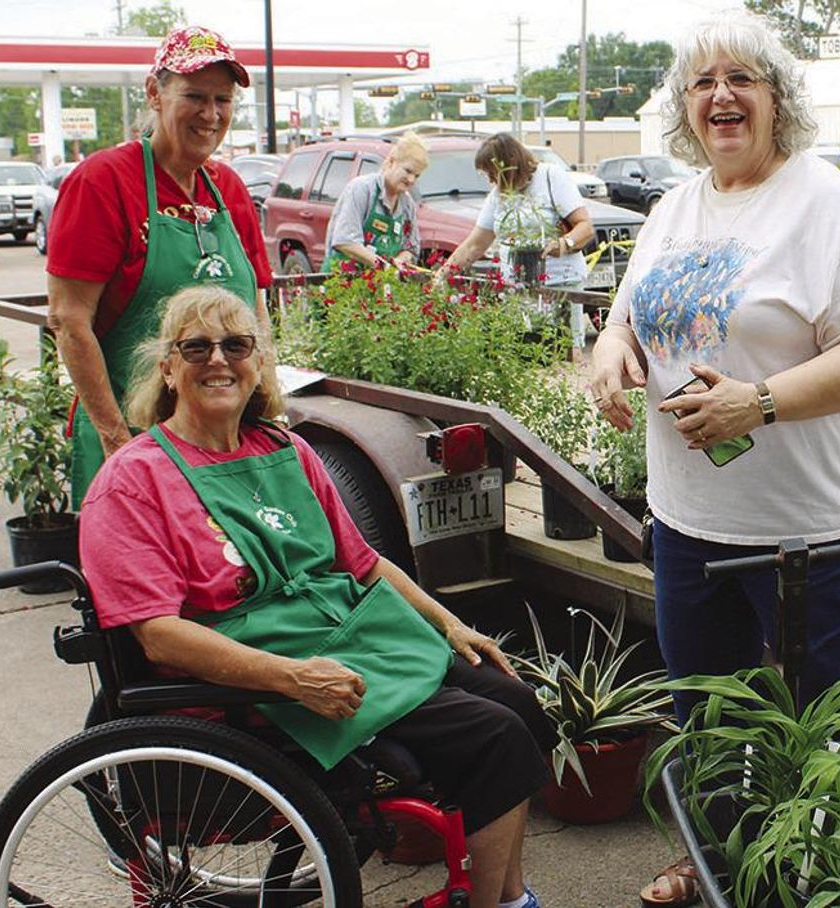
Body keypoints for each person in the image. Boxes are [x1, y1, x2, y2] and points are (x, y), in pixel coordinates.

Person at [78, 285, 553, 908]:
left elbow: (363, 563)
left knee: (518, 702)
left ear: (258, 362)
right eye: (196, 347)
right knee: (493, 736)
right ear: (167, 367)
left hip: (352, 638)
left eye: (236, 345)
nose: (218, 360)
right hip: (263, 674)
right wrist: (292, 678)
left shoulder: (285, 449)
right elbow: (157, 632)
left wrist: (447, 624)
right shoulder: (134, 481)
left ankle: (508, 895)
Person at [586, 15, 840, 907]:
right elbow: (626, 311)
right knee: (707, 713)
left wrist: (756, 402)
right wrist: (612, 347)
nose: (721, 96)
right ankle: (716, 863)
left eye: (742, 79)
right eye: (702, 84)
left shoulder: (828, 205)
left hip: (806, 529)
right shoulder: (679, 204)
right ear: (684, 108)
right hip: (689, 520)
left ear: (778, 98)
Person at [46, 25, 273, 508]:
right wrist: (115, 440)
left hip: (222, 440)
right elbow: (69, 320)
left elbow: (256, 310)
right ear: (154, 92)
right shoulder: (103, 181)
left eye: (223, 100)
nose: (211, 115)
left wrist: (270, 406)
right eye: (194, 95)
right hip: (133, 434)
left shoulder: (228, 189)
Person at [437, 133, 595, 362]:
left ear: (510, 165)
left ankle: (570, 394)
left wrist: (563, 243)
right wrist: (444, 273)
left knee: (565, 352)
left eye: (493, 174)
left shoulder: (550, 177)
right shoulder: (498, 196)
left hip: (561, 282)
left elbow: (585, 226)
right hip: (518, 286)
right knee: (524, 352)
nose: (492, 181)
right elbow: (475, 244)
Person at [323, 131, 428, 271]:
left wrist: (400, 261)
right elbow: (345, 241)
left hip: (380, 284)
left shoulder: (407, 204)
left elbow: (411, 249)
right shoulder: (362, 189)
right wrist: (382, 265)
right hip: (343, 280)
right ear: (392, 162)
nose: (411, 180)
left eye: (417, 175)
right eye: (408, 171)